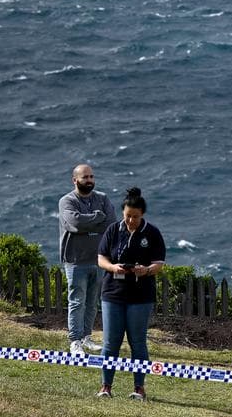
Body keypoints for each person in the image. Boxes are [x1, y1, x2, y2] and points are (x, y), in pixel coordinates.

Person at [95, 187, 166, 400]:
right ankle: (105, 386)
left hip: (140, 296)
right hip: (113, 294)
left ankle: (139, 388)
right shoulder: (113, 230)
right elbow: (101, 258)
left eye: (135, 217)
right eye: (127, 216)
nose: (130, 221)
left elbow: (159, 264)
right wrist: (113, 268)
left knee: (138, 342)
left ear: (142, 214)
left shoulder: (152, 233)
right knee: (110, 343)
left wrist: (146, 270)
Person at [58, 163, 116, 356]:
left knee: (92, 302)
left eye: (91, 177)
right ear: (75, 180)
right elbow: (74, 224)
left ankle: (86, 337)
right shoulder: (67, 201)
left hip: (98, 259)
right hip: (75, 260)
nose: (89, 180)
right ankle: (75, 341)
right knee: (77, 301)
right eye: (85, 177)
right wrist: (96, 218)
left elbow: (110, 224)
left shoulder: (103, 198)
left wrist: (88, 223)